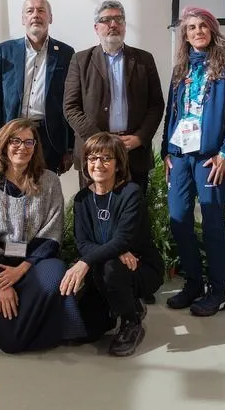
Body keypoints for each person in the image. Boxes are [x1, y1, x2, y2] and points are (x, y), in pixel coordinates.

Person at [63, 0, 164, 303]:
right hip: (95, 156)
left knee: (134, 217)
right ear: (96, 27)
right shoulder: (81, 60)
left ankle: (135, 278)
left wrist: (141, 137)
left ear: (124, 24)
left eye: (118, 19)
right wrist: (102, 142)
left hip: (134, 152)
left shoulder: (143, 59)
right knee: (97, 218)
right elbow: (71, 107)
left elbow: (155, 105)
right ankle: (99, 275)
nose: (113, 24)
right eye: (106, 20)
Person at [0, 119, 86, 353]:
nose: (22, 147)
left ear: (35, 147)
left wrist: (22, 268)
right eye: (15, 141)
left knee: (55, 274)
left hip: (34, 263)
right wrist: (2, 283)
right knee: (9, 341)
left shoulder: (50, 181)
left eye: (28, 142)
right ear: (4, 144)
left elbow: (52, 233)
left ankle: (30, 324)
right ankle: (45, 328)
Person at [161, 6, 225, 317]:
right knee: (178, 219)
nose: (197, 31)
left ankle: (218, 291)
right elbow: (173, 111)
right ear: (185, 34)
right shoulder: (181, 66)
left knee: (212, 225)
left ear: (212, 29)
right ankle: (193, 283)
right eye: (191, 28)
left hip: (211, 159)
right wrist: (166, 151)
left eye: (202, 26)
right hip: (180, 156)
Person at [60, 133, 164, 356]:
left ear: (118, 164)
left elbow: (123, 239)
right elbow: (82, 242)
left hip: (140, 267)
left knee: (111, 268)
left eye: (106, 158)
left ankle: (131, 320)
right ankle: (117, 306)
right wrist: (112, 252)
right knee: (85, 331)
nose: (98, 164)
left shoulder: (131, 193)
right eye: (92, 158)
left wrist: (88, 260)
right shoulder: (81, 200)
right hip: (102, 269)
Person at [0, 0, 75, 174]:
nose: (36, 15)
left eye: (41, 10)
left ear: (50, 17)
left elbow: (70, 102)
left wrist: (70, 147)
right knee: (11, 190)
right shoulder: (5, 51)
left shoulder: (65, 53)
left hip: (48, 138)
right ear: (23, 18)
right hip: (11, 135)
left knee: (45, 191)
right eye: (30, 11)